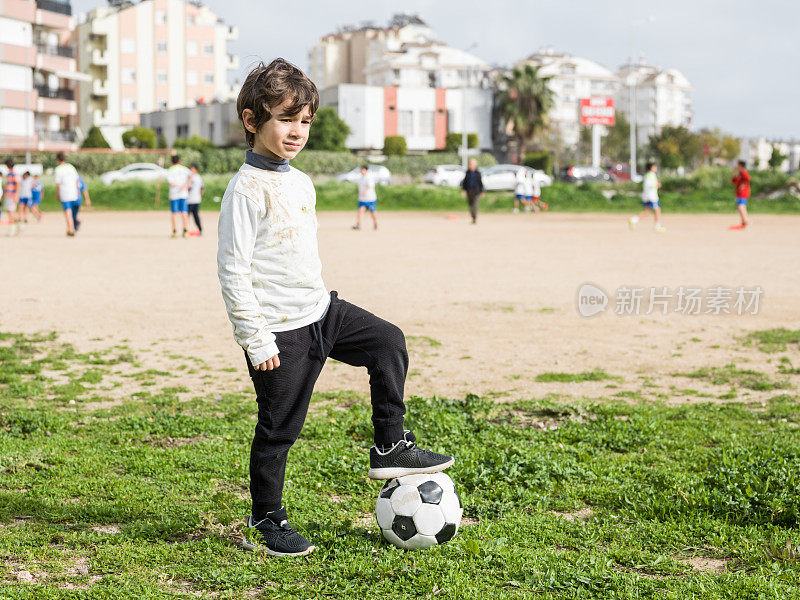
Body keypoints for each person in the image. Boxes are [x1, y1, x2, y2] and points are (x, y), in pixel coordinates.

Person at [217, 58, 453, 557]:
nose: (296, 131)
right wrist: (255, 340)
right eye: (284, 118)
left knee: (388, 341)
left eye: (304, 121)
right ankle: (267, 519)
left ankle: (390, 445)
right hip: (280, 333)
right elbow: (234, 271)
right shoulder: (244, 190)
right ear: (251, 119)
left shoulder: (300, 181)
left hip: (324, 313)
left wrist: (321, 304)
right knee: (279, 429)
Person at [628, 161, 665, 233]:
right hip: (652, 196)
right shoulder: (652, 175)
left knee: (647, 212)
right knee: (657, 210)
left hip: (646, 195)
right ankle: (657, 226)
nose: (656, 168)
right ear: (652, 168)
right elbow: (650, 185)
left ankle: (633, 220)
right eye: (655, 167)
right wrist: (657, 185)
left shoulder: (646, 175)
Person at [54, 152, 81, 237]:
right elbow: (77, 180)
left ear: (58, 159)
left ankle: (71, 229)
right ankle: (72, 227)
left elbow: (58, 184)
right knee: (72, 211)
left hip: (64, 193)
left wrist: (57, 194)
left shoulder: (58, 169)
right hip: (74, 192)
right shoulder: (71, 167)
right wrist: (77, 190)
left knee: (67, 211)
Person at [167, 154, 190, 237]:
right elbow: (191, 176)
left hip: (174, 194)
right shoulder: (184, 169)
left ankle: (174, 231)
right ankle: (185, 230)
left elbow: (171, 183)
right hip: (183, 193)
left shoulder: (170, 170)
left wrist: (178, 186)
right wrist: (186, 185)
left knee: (174, 213)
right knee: (184, 212)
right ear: (179, 161)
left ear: (171, 162)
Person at [352, 165, 378, 230]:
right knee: (360, 211)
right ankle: (359, 225)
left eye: (363, 170)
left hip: (370, 198)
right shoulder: (360, 178)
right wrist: (359, 194)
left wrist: (365, 191)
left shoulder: (369, 177)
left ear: (366, 170)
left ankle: (375, 223)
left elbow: (370, 186)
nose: (362, 171)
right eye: (361, 170)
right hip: (362, 199)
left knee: (372, 212)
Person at [460, 158, 484, 224]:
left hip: (476, 191)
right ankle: (473, 216)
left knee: (475, 205)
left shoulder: (478, 173)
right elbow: (464, 182)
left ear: (475, 165)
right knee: (470, 205)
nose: (471, 166)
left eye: (472, 164)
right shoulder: (467, 172)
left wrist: (482, 191)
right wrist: (463, 190)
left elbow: (480, 182)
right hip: (469, 191)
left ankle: (474, 218)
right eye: (470, 164)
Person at [730, 160, 750, 230]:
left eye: (737, 165)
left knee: (741, 206)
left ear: (740, 165)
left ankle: (745, 221)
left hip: (742, 193)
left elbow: (747, 179)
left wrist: (742, 185)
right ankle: (743, 222)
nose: (736, 166)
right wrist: (733, 172)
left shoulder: (744, 172)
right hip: (739, 193)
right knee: (741, 207)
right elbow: (733, 180)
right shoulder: (739, 174)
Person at [3, 158, 20, 235]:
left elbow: (18, 185)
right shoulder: (9, 174)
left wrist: (16, 195)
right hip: (8, 195)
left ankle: (12, 228)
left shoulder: (14, 174)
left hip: (12, 195)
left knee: (11, 212)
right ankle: (19, 225)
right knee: (10, 211)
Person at [186, 163, 204, 235]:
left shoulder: (194, 177)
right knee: (191, 215)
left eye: (192, 169)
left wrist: (200, 196)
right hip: (192, 199)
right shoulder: (197, 177)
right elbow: (202, 188)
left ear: (196, 170)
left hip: (193, 200)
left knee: (191, 215)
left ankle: (198, 229)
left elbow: (188, 188)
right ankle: (198, 229)